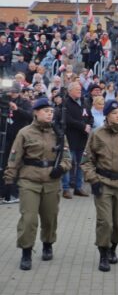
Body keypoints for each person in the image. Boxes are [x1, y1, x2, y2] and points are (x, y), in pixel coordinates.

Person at [3, 98, 71, 270]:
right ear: (36, 112)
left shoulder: (58, 133)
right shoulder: (25, 132)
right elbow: (14, 157)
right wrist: (9, 179)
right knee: (29, 218)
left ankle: (48, 244)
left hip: (51, 181)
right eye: (45, 110)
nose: (49, 113)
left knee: (50, 218)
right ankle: (26, 251)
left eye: (51, 111)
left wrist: (61, 168)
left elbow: (68, 158)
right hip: (29, 181)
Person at [81, 100, 118, 271]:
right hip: (103, 182)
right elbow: (86, 161)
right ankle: (103, 254)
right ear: (107, 115)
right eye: (114, 113)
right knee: (105, 222)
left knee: (117, 222)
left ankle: (113, 248)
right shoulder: (97, 134)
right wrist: (93, 180)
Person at [61, 82, 93, 199]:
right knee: (68, 163)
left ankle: (78, 188)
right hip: (70, 138)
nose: (79, 91)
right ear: (70, 91)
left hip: (82, 139)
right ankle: (66, 189)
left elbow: (90, 116)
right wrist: (82, 126)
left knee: (81, 164)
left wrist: (89, 124)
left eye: (80, 89)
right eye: (77, 89)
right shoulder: (66, 103)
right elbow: (68, 119)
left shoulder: (84, 102)